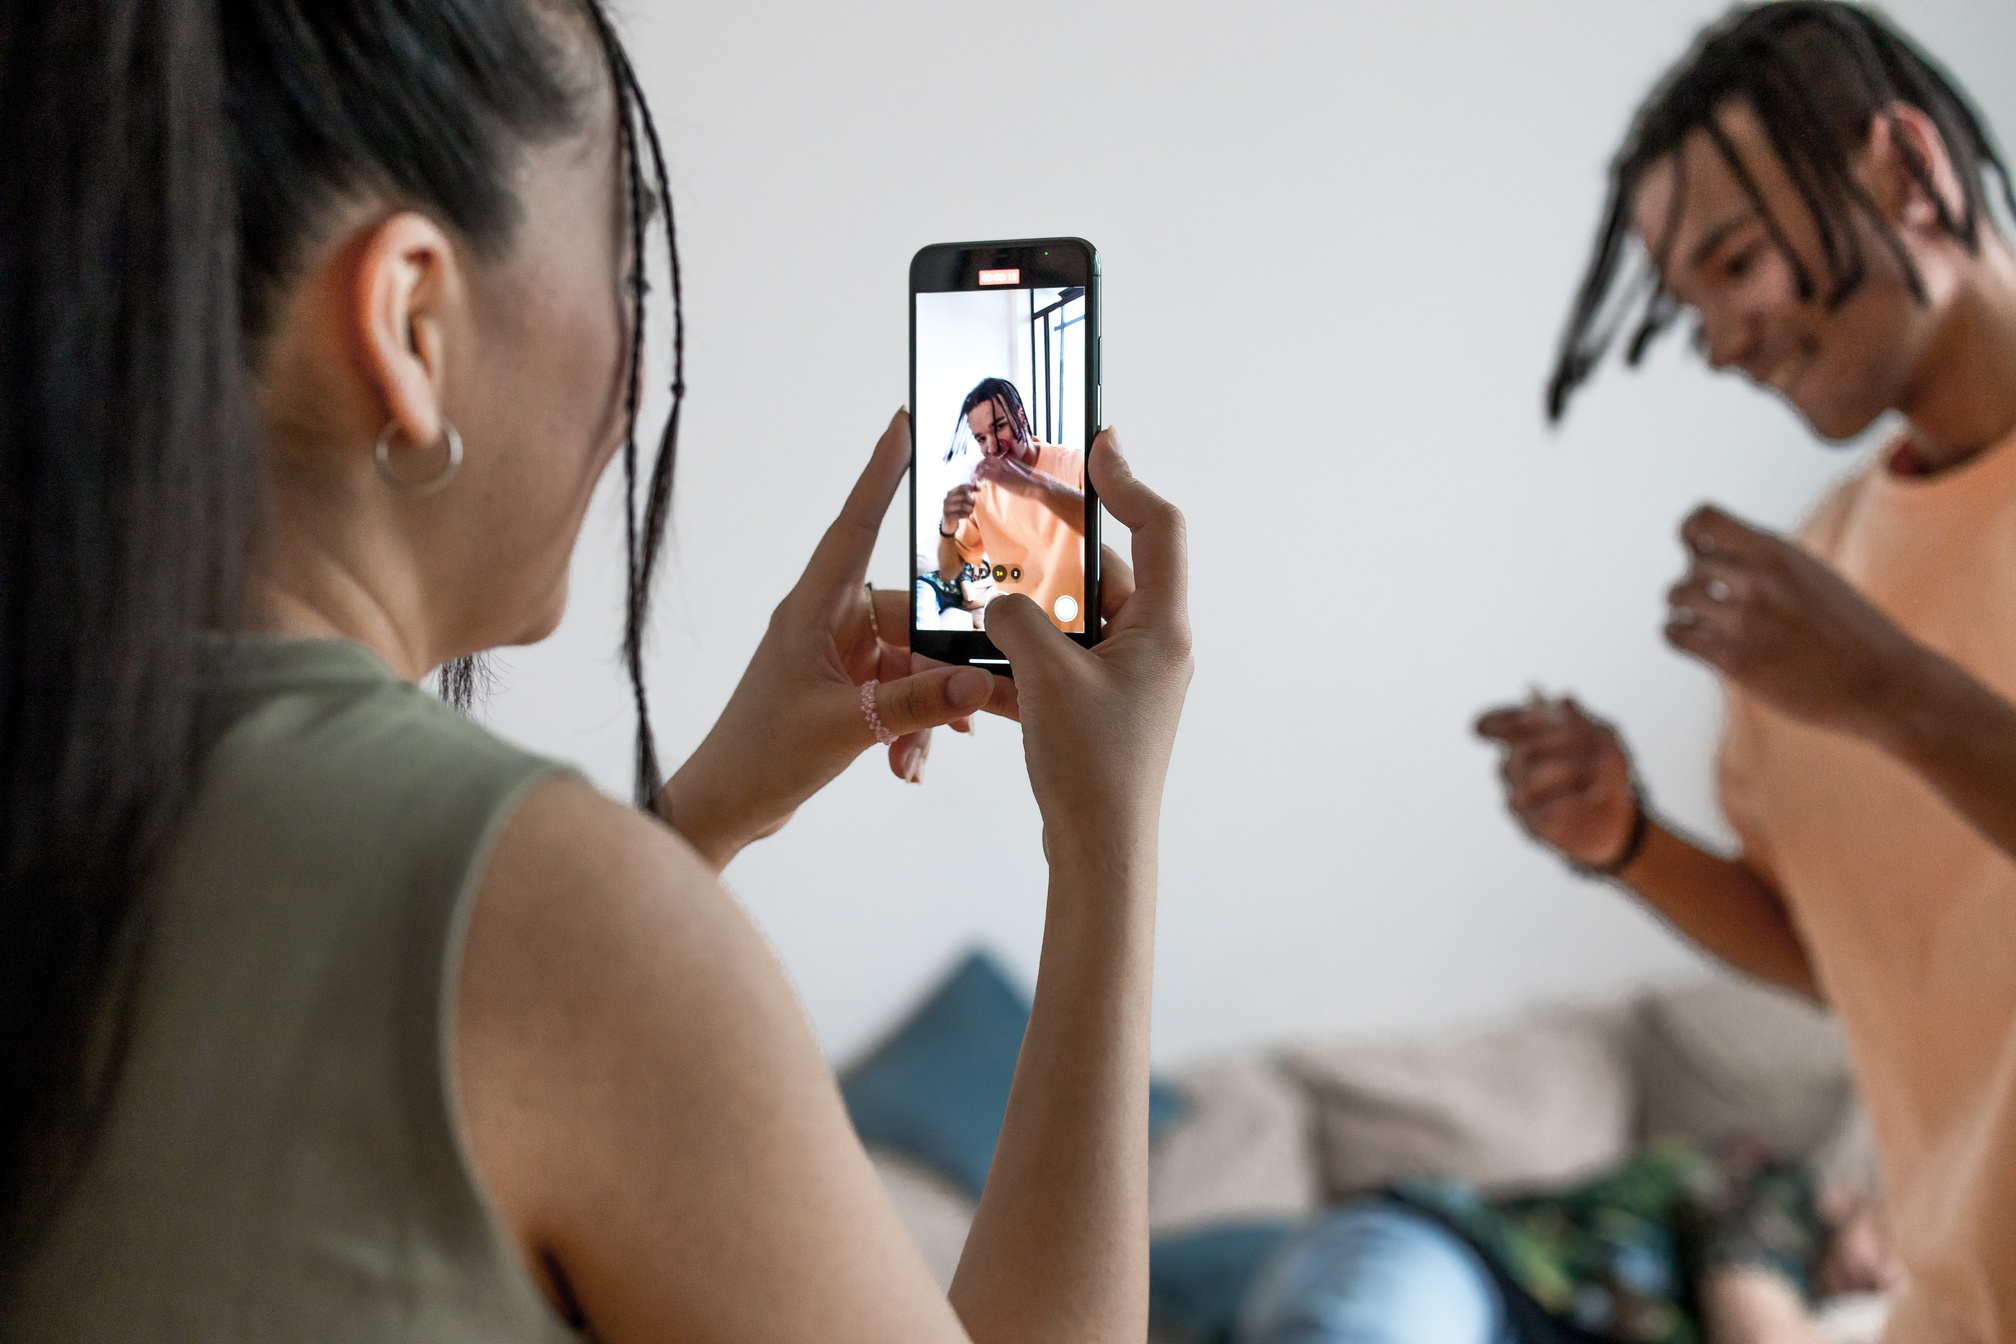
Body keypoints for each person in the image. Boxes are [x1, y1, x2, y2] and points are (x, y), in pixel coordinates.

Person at [0, 4, 1193, 1342]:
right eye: (630, 271)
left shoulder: (70, 783)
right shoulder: (573, 936)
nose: (637, 373)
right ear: (408, 320)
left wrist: (707, 812)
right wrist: (1106, 850)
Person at [1473, 5, 2016, 1339]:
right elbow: (1865, 962)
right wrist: (1631, 841)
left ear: (1906, 169)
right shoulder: (1814, 582)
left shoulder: (1836, 644)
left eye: (1737, 260)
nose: (1718, 341)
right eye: (1690, 300)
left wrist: (1891, 691)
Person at [1237, 1137, 1901, 1344]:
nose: (1887, 1277)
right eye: (1897, 1245)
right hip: (1456, 1259)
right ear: (1850, 1198)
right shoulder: (1770, 1180)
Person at [938, 377, 1089, 631]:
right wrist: (947, 525)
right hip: (1022, 638)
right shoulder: (981, 494)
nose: (993, 446)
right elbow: (949, 571)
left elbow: (1100, 526)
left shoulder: (1076, 464)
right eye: (981, 438)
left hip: (1077, 633)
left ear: (1021, 416)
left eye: (999, 427)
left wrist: (1032, 486)